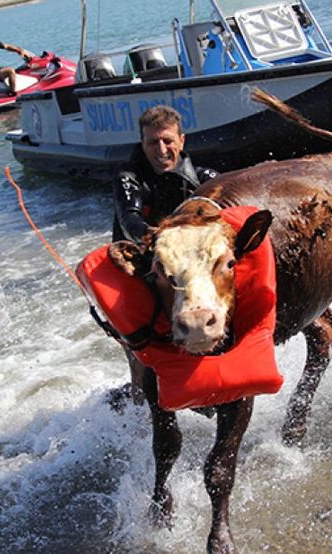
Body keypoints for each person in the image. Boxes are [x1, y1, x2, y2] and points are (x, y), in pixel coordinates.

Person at [111, 105, 218, 405]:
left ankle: (209, 391)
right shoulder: (128, 176)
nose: (161, 150)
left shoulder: (204, 178)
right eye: (152, 142)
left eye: (168, 141)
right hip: (142, 268)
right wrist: (158, 238)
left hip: (189, 274)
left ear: (181, 140)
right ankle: (138, 410)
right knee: (141, 359)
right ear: (142, 144)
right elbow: (129, 218)